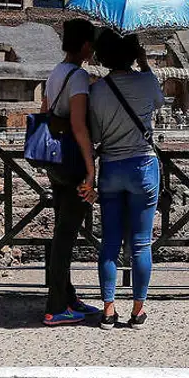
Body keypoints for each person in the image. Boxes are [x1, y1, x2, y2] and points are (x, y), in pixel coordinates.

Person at [89, 30, 163, 328]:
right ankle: (137, 311)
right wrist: (145, 65)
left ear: (103, 57)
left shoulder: (98, 90)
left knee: (109, 242)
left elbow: (95, 136)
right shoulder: (147, 80)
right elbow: (157, 102)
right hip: (143, 166)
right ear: (134, 54)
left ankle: (108, 311)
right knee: (141, 243)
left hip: (110, 168)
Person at [41, 18, 100, 327]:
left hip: (54, 161)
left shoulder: (56, 72)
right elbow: (78, 125)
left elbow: (46, 109)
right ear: (86, 45)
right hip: (73, 161)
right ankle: (55, 307)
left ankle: (68, 295)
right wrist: (91, 173)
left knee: (62, 229)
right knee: (66, 234)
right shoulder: (77, 76)